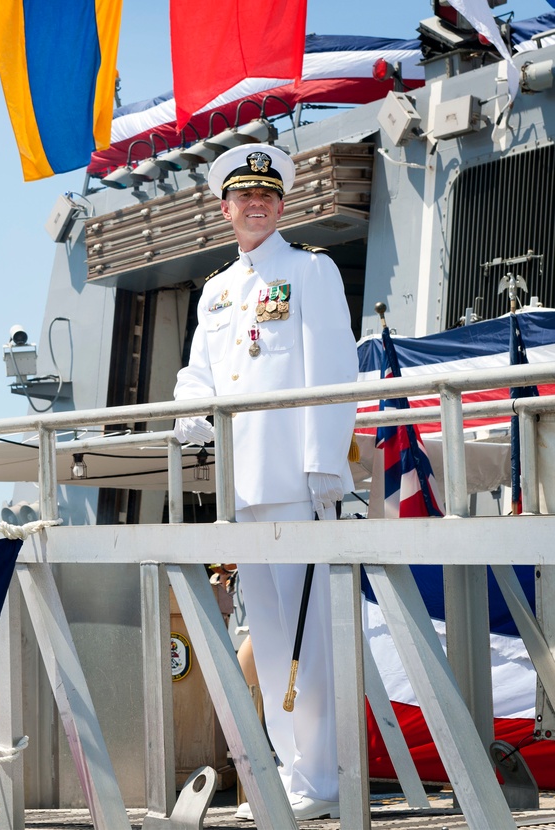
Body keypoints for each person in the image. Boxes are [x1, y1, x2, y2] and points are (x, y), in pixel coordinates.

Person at [173, 143, 358, 822]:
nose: (257, 206)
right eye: (245, 198)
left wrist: (325, 468)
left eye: (268, 196)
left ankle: (325, 783)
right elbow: (201, 374)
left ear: (281, 205)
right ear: (225, 209)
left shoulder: (311, 271)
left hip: (299, 482)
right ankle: (291, 777)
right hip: (244, 487)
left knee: (310, 639)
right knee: (274, 641)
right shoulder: (217, 292)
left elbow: (335, 371)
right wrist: (190, 408)